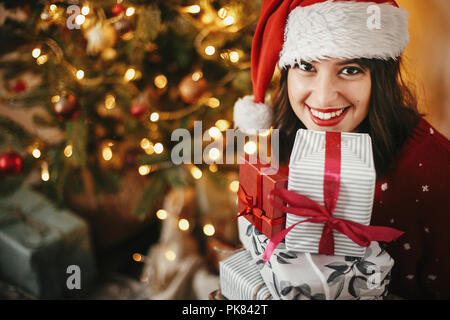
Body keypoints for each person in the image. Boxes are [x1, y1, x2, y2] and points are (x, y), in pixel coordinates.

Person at [233, 0, 450, 300]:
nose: (323, 97)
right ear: (287, 74)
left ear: (381, 79)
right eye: (306, 66)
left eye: (350, 70)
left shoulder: (435, 169)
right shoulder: (277, 146)